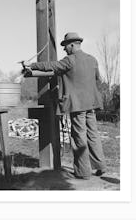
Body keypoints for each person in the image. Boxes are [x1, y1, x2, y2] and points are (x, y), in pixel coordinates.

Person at [23, 32, 106, 179]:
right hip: (91, 104)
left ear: (73, 45)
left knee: (79, 137)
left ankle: (83, 172)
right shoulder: (93, 60)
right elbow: (97, 79)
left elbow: (51, 66)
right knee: (93, 135)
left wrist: (32, 65)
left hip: (77, 105)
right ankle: (100, 166)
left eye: (65, 46)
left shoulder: (70, 60)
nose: (64, 50)